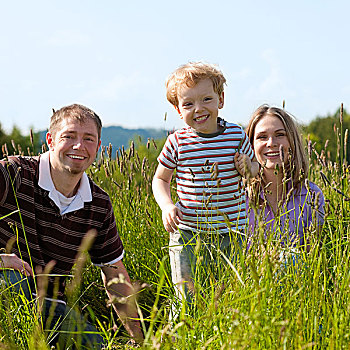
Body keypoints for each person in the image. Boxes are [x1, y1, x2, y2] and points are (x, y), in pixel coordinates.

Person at [0, 104, 143, 348]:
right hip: (7, 288)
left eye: (89, 139)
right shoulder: (13, 173)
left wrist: (140, 341)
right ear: (50, 140)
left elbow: (115, 274)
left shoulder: (98, 204)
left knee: (95, 345)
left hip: (51, 306)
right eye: (69, 136)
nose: (79, 146)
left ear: (98, 147)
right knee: (11, 282)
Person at [152, 62, 260, 305]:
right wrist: (167, 206)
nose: (198, 109)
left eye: (206, 99)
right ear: (178, 110)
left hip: (232, 234)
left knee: (231, 296)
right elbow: (160, 179)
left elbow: (255, 170)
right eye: (188, 103)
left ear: (220, 100)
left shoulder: (236, 135)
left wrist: (247, 166)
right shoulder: (177, 141)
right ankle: (180, 339)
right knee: (187, 299)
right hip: (187, 233)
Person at [245, 104, 325, 258]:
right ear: (251, 145)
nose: (271, 143)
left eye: (280, 134)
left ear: (292, 141)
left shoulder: (311, 196)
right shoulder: (239, 198)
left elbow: (312, 258)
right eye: (262, 137)